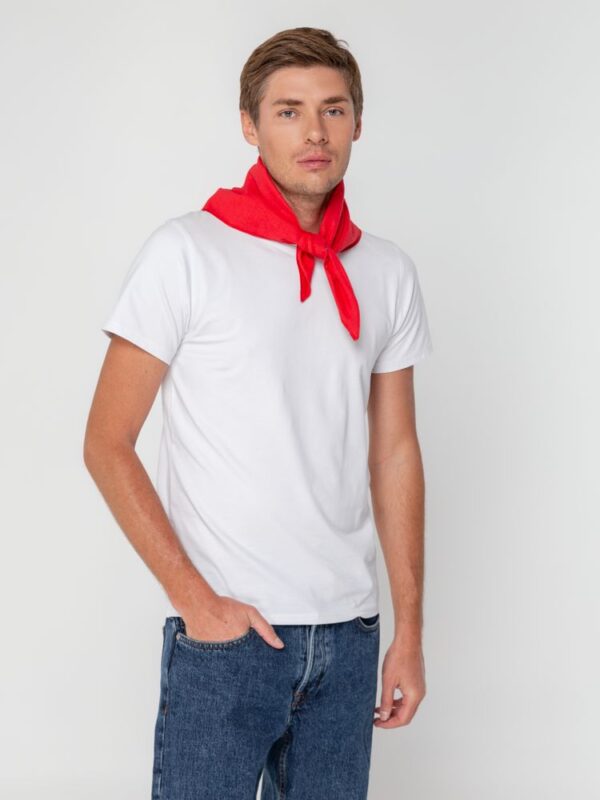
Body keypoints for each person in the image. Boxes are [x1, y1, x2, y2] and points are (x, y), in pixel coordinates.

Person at [84, 26, 433, 800]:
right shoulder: (186, 252)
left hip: (349, 637)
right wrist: (197, 603)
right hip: (228, 639)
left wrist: (408, 630)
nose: (315, 133)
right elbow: (107, 442)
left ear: (358, 123)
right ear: (250, 125)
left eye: (333, 110)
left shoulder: (386, 271)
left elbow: (395, 453)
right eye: (288, 111)